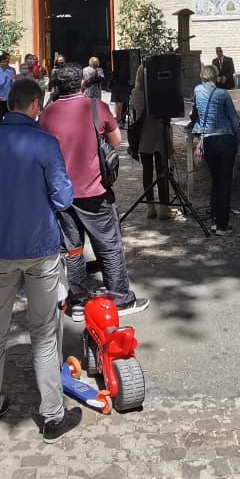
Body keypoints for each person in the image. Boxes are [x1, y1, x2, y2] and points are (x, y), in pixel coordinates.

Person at [0, 76, 83, 442]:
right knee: (44, 331)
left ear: (7, 104)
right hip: (39, 246)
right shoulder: (44, 143)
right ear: (36, 105)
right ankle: (52, 413)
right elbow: (64, 198)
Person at [40, 63, 148, 314]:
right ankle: (121, 297)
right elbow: (116, 141)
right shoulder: (96, 107)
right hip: (94, 190)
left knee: (73, 248)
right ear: (82, 84)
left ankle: (77, 300)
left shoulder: (47, 114)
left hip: (62, 193)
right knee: (108, 243)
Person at [193, 64, 240, 232]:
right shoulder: (223, 94)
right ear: (215, 77)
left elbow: (196, 113)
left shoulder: (197, 91)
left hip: (208, 140)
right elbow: (234, 119)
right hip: (226, 138)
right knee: (225, 181)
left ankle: (214, 219)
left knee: (215, 180)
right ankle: (223, 223)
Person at [128, 64, 175, 219]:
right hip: (159, 131)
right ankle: (163, 207)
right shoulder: (160, 92)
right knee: (162, 171)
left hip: (144, 134)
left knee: (147, 171)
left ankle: (150, 207)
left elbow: (136, 113)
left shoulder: (135, 93)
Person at [0, 53, 16, 118]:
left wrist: (12, 81)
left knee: (9, 116)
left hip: (9, 97)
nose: (6, 63)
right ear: (0, 63)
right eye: (4, 62)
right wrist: (3, 82)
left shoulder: (10, 71)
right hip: (0, 98)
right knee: (0, 116)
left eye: (7, 62)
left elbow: (13, 85)